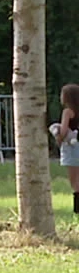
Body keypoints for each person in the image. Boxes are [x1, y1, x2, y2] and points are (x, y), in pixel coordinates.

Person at [57, 85, 79, 218]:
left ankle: (77, 209)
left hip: (72, 147)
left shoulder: (68, 111)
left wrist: (58, 136)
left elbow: (64, 131)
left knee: (75, 182)